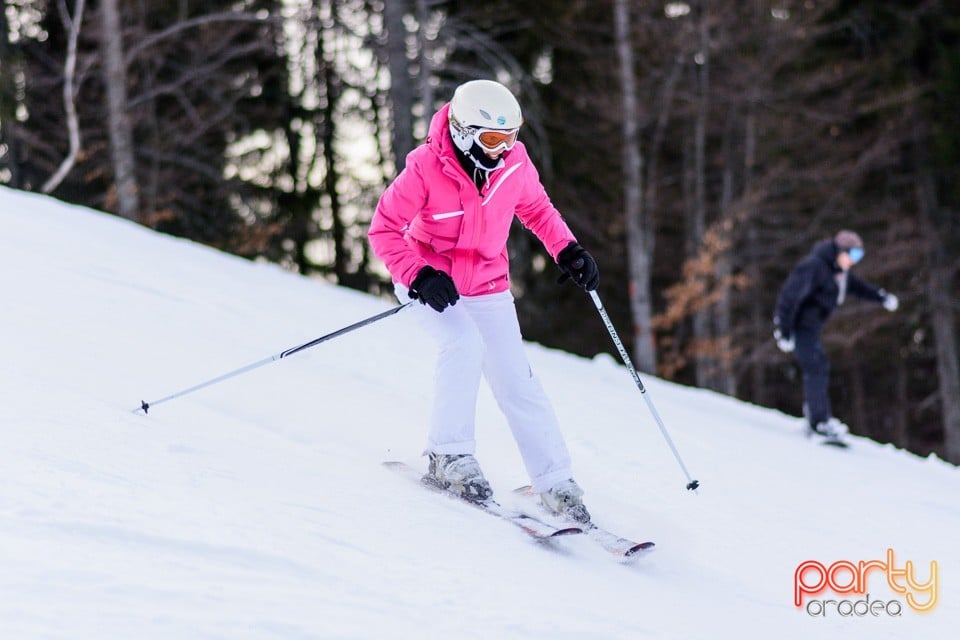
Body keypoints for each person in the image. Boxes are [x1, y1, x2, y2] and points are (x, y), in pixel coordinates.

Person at [368, 79, 598, 523]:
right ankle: (447, 455)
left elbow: (537, 210)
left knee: (517, 379)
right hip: (432, 284)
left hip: (488, 283)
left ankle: (555, 482)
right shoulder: (424, 168)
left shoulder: (513, 163)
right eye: (493, 139)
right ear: (462, 131)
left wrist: (567, 250)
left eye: (510, 137)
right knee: (463, 346)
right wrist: (418, 275)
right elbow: (383, 230)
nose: (502, 149)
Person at [773, 230, 899, 441]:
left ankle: (817, 417)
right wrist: (783, 330)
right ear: (841, 251)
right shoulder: (815, 266)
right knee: (816, 366)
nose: (854, 261)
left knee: (819, 365)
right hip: (800, 326)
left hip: (811, 328)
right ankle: (818, 422)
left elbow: (859, 287)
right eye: (853, 255)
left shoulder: (838, 271)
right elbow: (789, 296)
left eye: (859, 257)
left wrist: (881, 297)